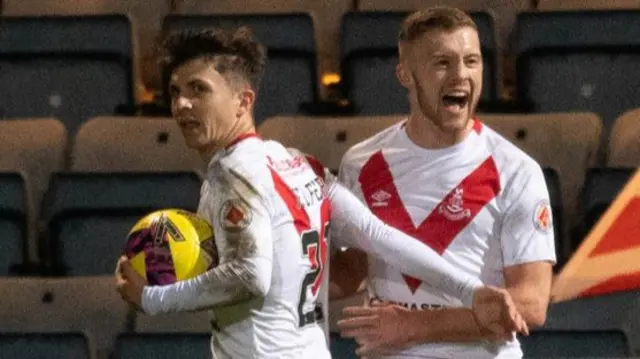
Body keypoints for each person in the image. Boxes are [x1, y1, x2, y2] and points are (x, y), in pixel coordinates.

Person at [114, 26, 528, 359]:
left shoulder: (234, 176)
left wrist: (154, 299)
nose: (181, 105)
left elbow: (248, 275)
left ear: (243, 101)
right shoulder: (301, 166)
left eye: (198, 90)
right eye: (175, 93)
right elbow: (381, 237)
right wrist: (471, 290)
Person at [333, 7, 556, 359]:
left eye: (471, 61)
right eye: (442, 63)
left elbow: (530, 303)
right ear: (405, 74)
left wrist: (414, 326)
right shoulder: (361, 164)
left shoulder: (515, 171)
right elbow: (353, 271)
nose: (460, 76)